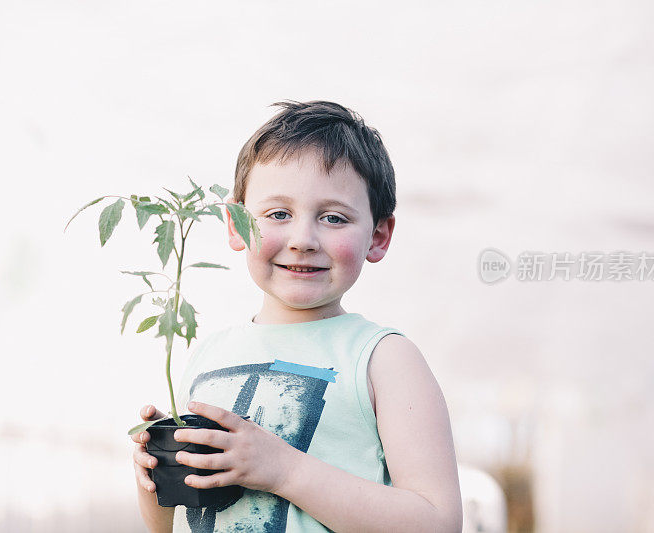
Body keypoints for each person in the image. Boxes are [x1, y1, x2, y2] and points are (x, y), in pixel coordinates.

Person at [131, 100, 462, 532]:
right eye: (278, 214)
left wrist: (284, 471)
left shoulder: (384, 359)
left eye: (333, 217)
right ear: (235, 223)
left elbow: (438, 523)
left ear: (378, 236)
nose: (303, 239)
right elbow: (168, 526)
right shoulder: (208, 353)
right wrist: (153, 478)